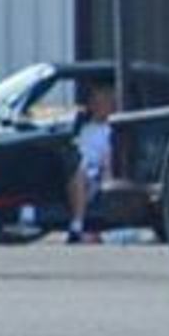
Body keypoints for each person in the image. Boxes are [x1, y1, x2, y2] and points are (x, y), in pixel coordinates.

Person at [67, 78, 120, 243]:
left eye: (104, 102)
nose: (98, 106)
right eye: (95, 102)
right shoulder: (82, 127)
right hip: (73, 165)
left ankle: (77, 226)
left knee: (80, 173)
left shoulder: (112, 130)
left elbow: (109, 157)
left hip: (94, 175)